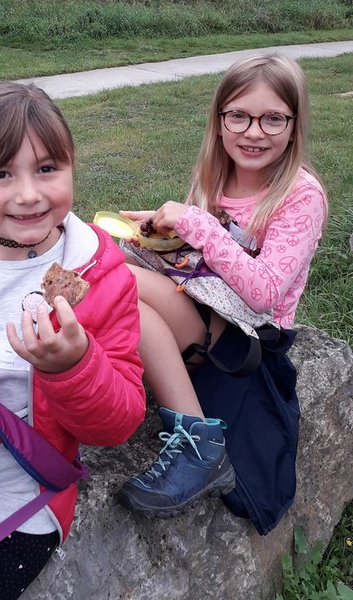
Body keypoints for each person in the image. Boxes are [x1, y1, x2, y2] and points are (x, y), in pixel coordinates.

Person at [0, 81, 146, 599]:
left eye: (47, 169)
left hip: (11, 503)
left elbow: (119, 422)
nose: (29, 194)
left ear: (73, 165)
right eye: (1, 173)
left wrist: (72, 367)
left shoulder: (97, 276)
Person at [117, 54, 328, 524]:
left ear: (294, 126)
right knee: (113, 272)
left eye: (273, 118)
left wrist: (196, 224)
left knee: (124, 283)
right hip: (202, 302)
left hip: (252, 337)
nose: (253, 131)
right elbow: (201, 256)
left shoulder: (300, 194)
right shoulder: (214, 175)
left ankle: (200, 450)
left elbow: (264, 292)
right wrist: (161, 234)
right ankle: (184, 433)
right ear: (219, 121)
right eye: (239, 115)